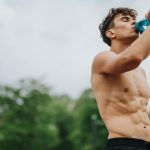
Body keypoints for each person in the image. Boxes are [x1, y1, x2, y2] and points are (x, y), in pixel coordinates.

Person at [91, 7, 150, 150]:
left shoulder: (141, 71)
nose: (133, 23)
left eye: (134, 20)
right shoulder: (102, 59)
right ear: (111, 32)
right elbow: (133, 58)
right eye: (125, 19)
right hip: (122, 145)